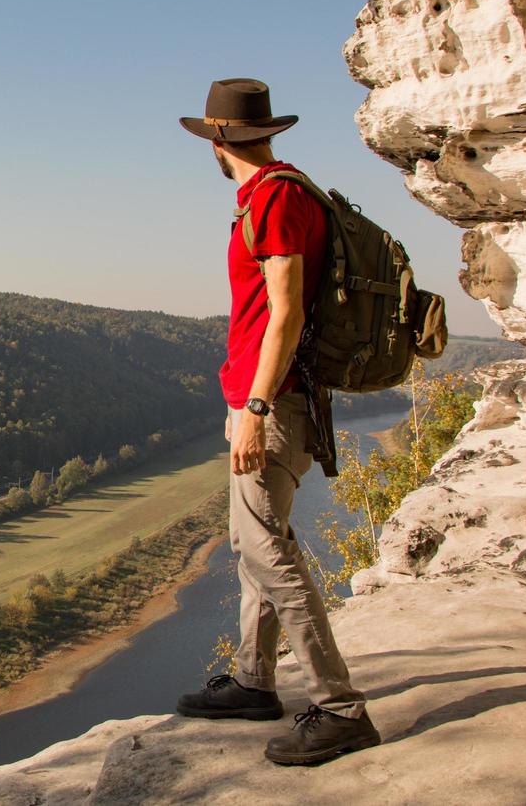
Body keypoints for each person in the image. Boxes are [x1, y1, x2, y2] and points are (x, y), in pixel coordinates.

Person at [173, 78, 380, 765]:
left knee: (268, 552)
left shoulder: (280, 197)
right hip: (265, 400)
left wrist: (257, 407)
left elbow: (285, 311)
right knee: (253, 540)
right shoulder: (274, 195)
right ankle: (255, 682)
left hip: (275, 402)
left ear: (219, 142)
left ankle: (341, 708)